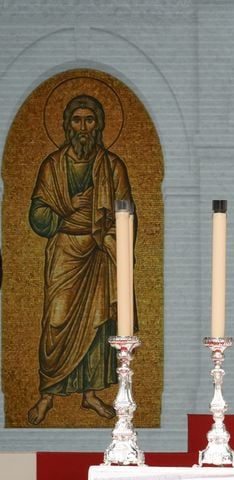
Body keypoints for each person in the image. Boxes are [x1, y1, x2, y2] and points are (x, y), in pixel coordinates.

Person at [26, 95, 135, 425]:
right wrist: (71, 212)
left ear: (99, 125)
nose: (83, 127)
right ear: (66, 124)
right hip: (65, 253)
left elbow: (126, 213)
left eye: (89, 120)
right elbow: (37, 214)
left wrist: (107, 227)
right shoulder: (52, 166)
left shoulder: (112, 165)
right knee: (56, 323)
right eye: (77, 120)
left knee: (98, 327)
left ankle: (90, 396)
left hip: (100, 253)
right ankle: (47, 394)